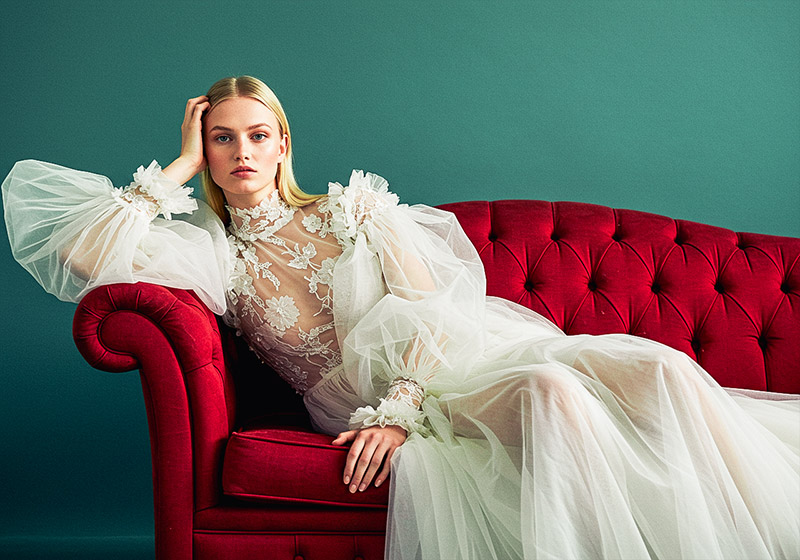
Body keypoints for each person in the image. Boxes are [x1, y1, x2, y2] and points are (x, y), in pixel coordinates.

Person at [3, 75, 799, 560]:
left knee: (656, 367)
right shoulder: (210, 255)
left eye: (258, 134)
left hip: (457, 366)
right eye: (220, 139)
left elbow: (431, 308)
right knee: (557, 401)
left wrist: (404, 411)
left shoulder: (358, 208)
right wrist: (171, 165)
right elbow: (82, 254)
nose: (241, 151)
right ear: (205, 151)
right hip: (361, 396)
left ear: (283, 145)